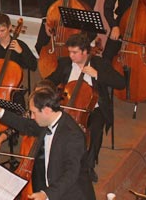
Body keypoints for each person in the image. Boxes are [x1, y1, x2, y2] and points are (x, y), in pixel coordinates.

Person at [46, 34, 125, 182]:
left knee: (95, 129)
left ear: (85, 52)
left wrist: (98, 74)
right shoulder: (65, 63)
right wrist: (42, 87)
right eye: (70, 52)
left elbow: (121, 83)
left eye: (74, 52)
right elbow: (51, 79)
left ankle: (88, 166)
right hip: (68, 106)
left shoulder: (99, 64)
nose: (71, 55)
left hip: (94, 108)